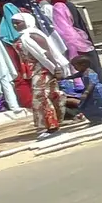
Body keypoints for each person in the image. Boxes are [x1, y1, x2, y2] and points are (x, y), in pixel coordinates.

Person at [10, 11, 70, 139]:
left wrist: (56, 69)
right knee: (51, 95)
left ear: (27, 22)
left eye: (18, 23)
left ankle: (47, 127)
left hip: (42, 69)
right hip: (33, 71)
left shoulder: (33, 36)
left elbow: (47, 54)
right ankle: (57, 122)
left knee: (40, 97)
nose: (15, 26)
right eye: (13, 24)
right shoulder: (23, 36)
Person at [65, 55, 102, 126]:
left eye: (76, 65)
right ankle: (96, 119)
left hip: (97, 92)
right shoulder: (83, 72)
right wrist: (64, 78)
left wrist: (86, 93)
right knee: (87, 107)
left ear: (83, 65)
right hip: (90, 92)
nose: (74, 68)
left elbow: (92, 83)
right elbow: (75, 76)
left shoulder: (90, 72)